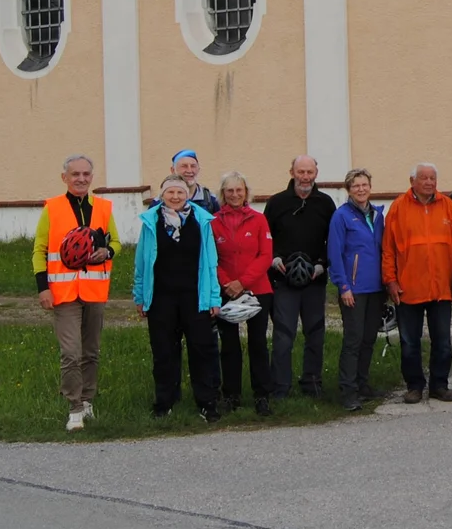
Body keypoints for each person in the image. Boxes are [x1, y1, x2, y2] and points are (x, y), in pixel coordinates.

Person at [32, 153, 118, 432]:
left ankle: (88, 399)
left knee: (91, 352)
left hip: (95, 290)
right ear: (64, 178)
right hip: (63, 293)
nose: (81, 179)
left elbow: (116, 240)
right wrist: (43, 288)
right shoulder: (52, 208)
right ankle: (74, 408)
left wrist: (109, 250)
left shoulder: (104, 207)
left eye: (86, 174)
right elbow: (40, 250)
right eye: (75, 174)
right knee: (71, 352)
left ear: (92, 177)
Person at [382, 163, 452, 404]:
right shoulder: (398, 209)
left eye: (433, 178)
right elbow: (388, 249)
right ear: (412, 180)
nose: (429, 182)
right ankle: (414, 386)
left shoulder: (449, 207)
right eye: (423, 178)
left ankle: (439, 386)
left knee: (442, 342)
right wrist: (390, 280)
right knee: (409, 343)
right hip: (407, 288)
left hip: (441, 288)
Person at [133, 174, 224, 420]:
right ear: (162, 196)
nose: (175, 197)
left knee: (202, 350)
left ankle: (206, 402)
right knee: (163, 352)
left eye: (180, 193)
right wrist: (140, 296)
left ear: (187, 195)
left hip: (195, 297)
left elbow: (210, 263)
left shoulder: (202, 221)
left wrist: (214, 298)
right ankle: (165, 402)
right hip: (161, 297)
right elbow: (141, 263)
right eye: (170, 193)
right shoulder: (151, 222)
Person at [264, 155, 336, 398]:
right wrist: (273, 258)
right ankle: (280, 387)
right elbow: (265, 238)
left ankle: (312, 383)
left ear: (316, 173)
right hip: (283, 280)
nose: (305, 177)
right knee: (284, 335)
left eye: (310, 172)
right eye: (301, 172)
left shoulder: (325, 203)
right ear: (292, 172)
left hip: (315, 279)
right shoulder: (276, 203)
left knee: (315, 333)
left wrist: (322, 264)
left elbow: (333, 241)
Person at [211, 170, 274, 416]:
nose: (235, 194)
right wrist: (227, 282)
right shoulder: (213, 222)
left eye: (239, 190)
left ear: (246, 192)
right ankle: (231, 395)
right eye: (230, 191)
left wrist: (243, 282)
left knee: (258, 343)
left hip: (257, 289)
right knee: (229, 345)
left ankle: (262, 395)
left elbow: (265, 255)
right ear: (223, 194)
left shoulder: (259, 219)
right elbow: (211, 257)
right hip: (225, 290)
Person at [328, 167, 388, 412]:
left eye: (364, 185)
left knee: (368, 339)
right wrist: (343, 286)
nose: (361, 189)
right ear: (348, 190)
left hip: (376, 288)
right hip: (353, 289)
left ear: (370, 187)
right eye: (356, 186)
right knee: (353, 340)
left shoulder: (378, 215)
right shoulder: (341, 217)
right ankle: (348, 390)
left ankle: (363, 384)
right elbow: (335, 252)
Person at [171, 149, 221, 214]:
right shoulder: (163, 201)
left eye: (193, 166)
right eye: (184, 166)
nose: (189, 170)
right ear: (173, 170)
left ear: (198, 169)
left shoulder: (212, 200)